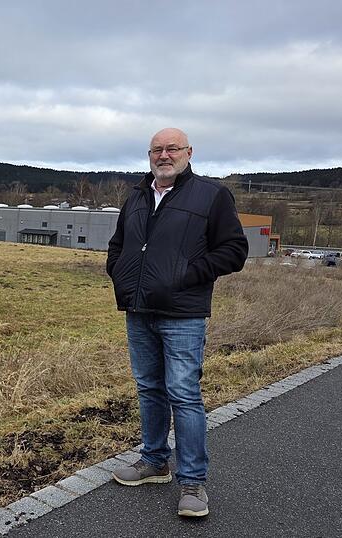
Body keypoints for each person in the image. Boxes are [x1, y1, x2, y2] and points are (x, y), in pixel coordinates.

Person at [105, 128, 248, 517]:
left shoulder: (211, 196)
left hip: (183, 313)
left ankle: (193, 483)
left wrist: (187, 273)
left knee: (183, 394)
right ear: (149, 155)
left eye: (172, 149)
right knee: (149, 388)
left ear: (189, 153)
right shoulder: (136, 196)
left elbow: (234, 250)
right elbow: (118, 245)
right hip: (139, 309)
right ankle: (154, 461)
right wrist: (118, 272)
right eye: (157, 149)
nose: (164, 155)